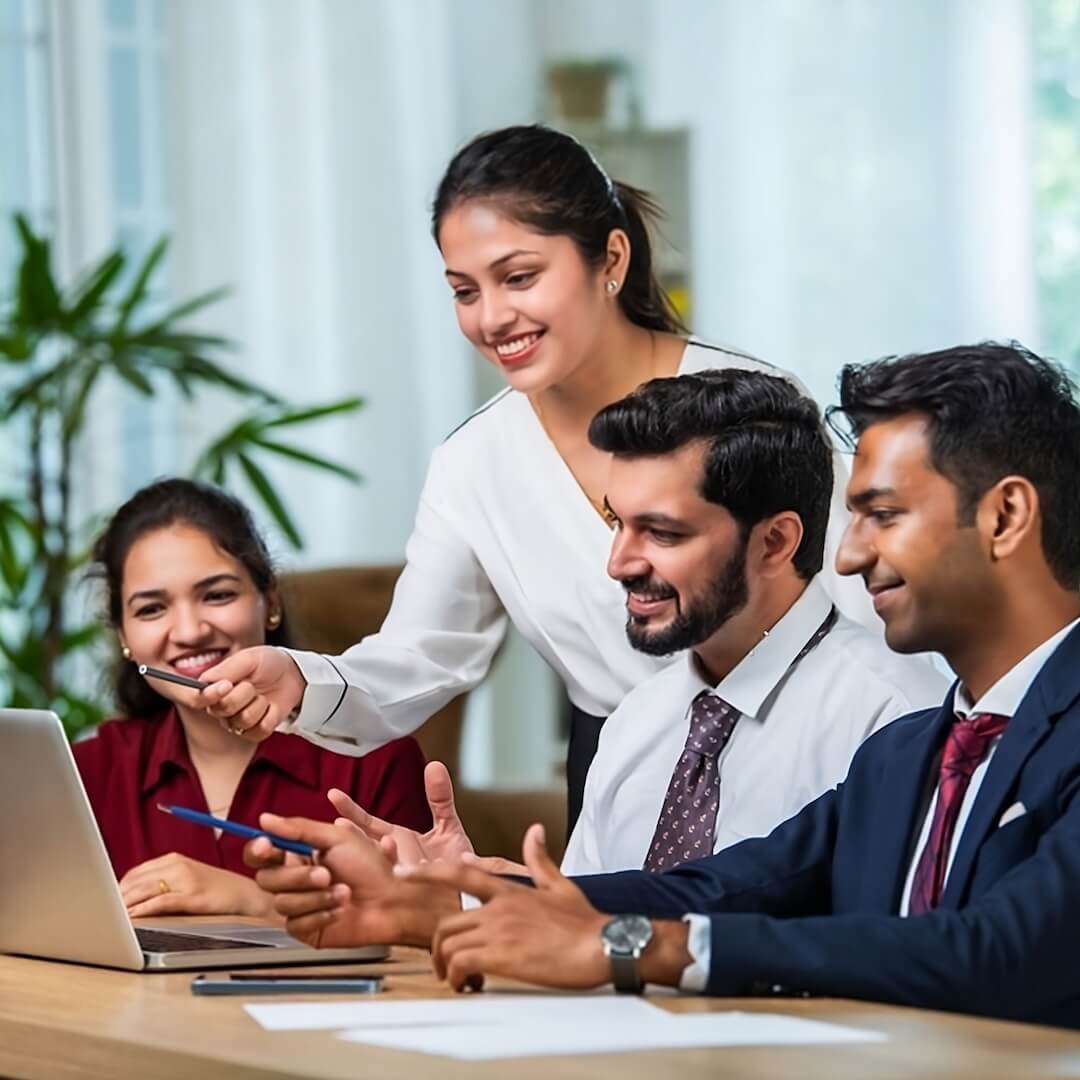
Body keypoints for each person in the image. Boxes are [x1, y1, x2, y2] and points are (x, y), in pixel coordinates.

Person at [247, 343, 1080, 1028]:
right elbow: (722, 888)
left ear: (1005, 516)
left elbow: (992, 952)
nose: (852, 554)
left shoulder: (895, 711)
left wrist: (637, 947)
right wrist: (452, 898)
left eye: (884, 515)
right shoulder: (913, 753)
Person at [194, 124, 874, 835]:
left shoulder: (750, 404)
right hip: (621, 781)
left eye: (519, 278)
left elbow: (857, 603)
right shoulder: (474, 463)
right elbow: (419, 657)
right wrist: (300, 680)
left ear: (611, 258)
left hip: (800, 759)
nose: (492, 318)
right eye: (465, 291)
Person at [328, 370, 946, 876]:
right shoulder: (636, 721)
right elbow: (585, 937)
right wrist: (474, 894)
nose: (618, 563)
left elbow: (878, 951)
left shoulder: (896, 719)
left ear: (775, 541)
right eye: (616, 523)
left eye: (662, 533)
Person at [74, 478, 431, 920]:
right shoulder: (88, 774)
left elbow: (422, 931)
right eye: (152, 609)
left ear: (271, 602)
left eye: (217, 595)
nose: (190, 632)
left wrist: (256, 904)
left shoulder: (376, 759)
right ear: (124, 636)